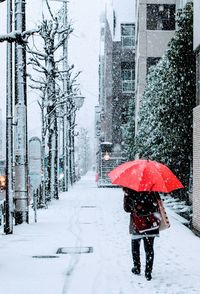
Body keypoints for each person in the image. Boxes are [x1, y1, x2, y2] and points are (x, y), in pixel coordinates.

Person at [123, 187, 161, 281]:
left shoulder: (130, 189)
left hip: (137, 224)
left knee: (135, 247)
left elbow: (127, 209)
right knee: (149, 248)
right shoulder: (152, 188)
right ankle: (148, 272)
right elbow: (157, 205)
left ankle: (137, 268)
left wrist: (128, 197)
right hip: (150, 224)